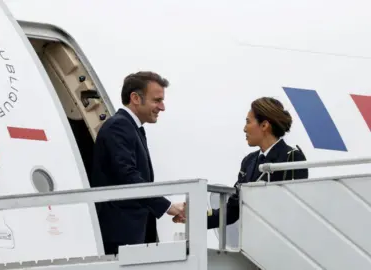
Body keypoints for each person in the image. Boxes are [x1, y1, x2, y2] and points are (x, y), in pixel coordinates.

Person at [173, 97, 309, 229]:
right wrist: (195, 217)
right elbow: (232, 210)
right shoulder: (249, 161)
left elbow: (294, 210)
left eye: (248, 122)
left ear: (264, 125)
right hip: (253, 244)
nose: (244, 129)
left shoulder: (292, 157)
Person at [91, 71, 185, 255]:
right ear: (135, 98)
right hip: (121, 232)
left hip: (131, 231)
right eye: (157, 100)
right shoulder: (119, 126)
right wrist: (168, 207)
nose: (162, 107)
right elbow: (127, 175)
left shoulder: (132, 128)